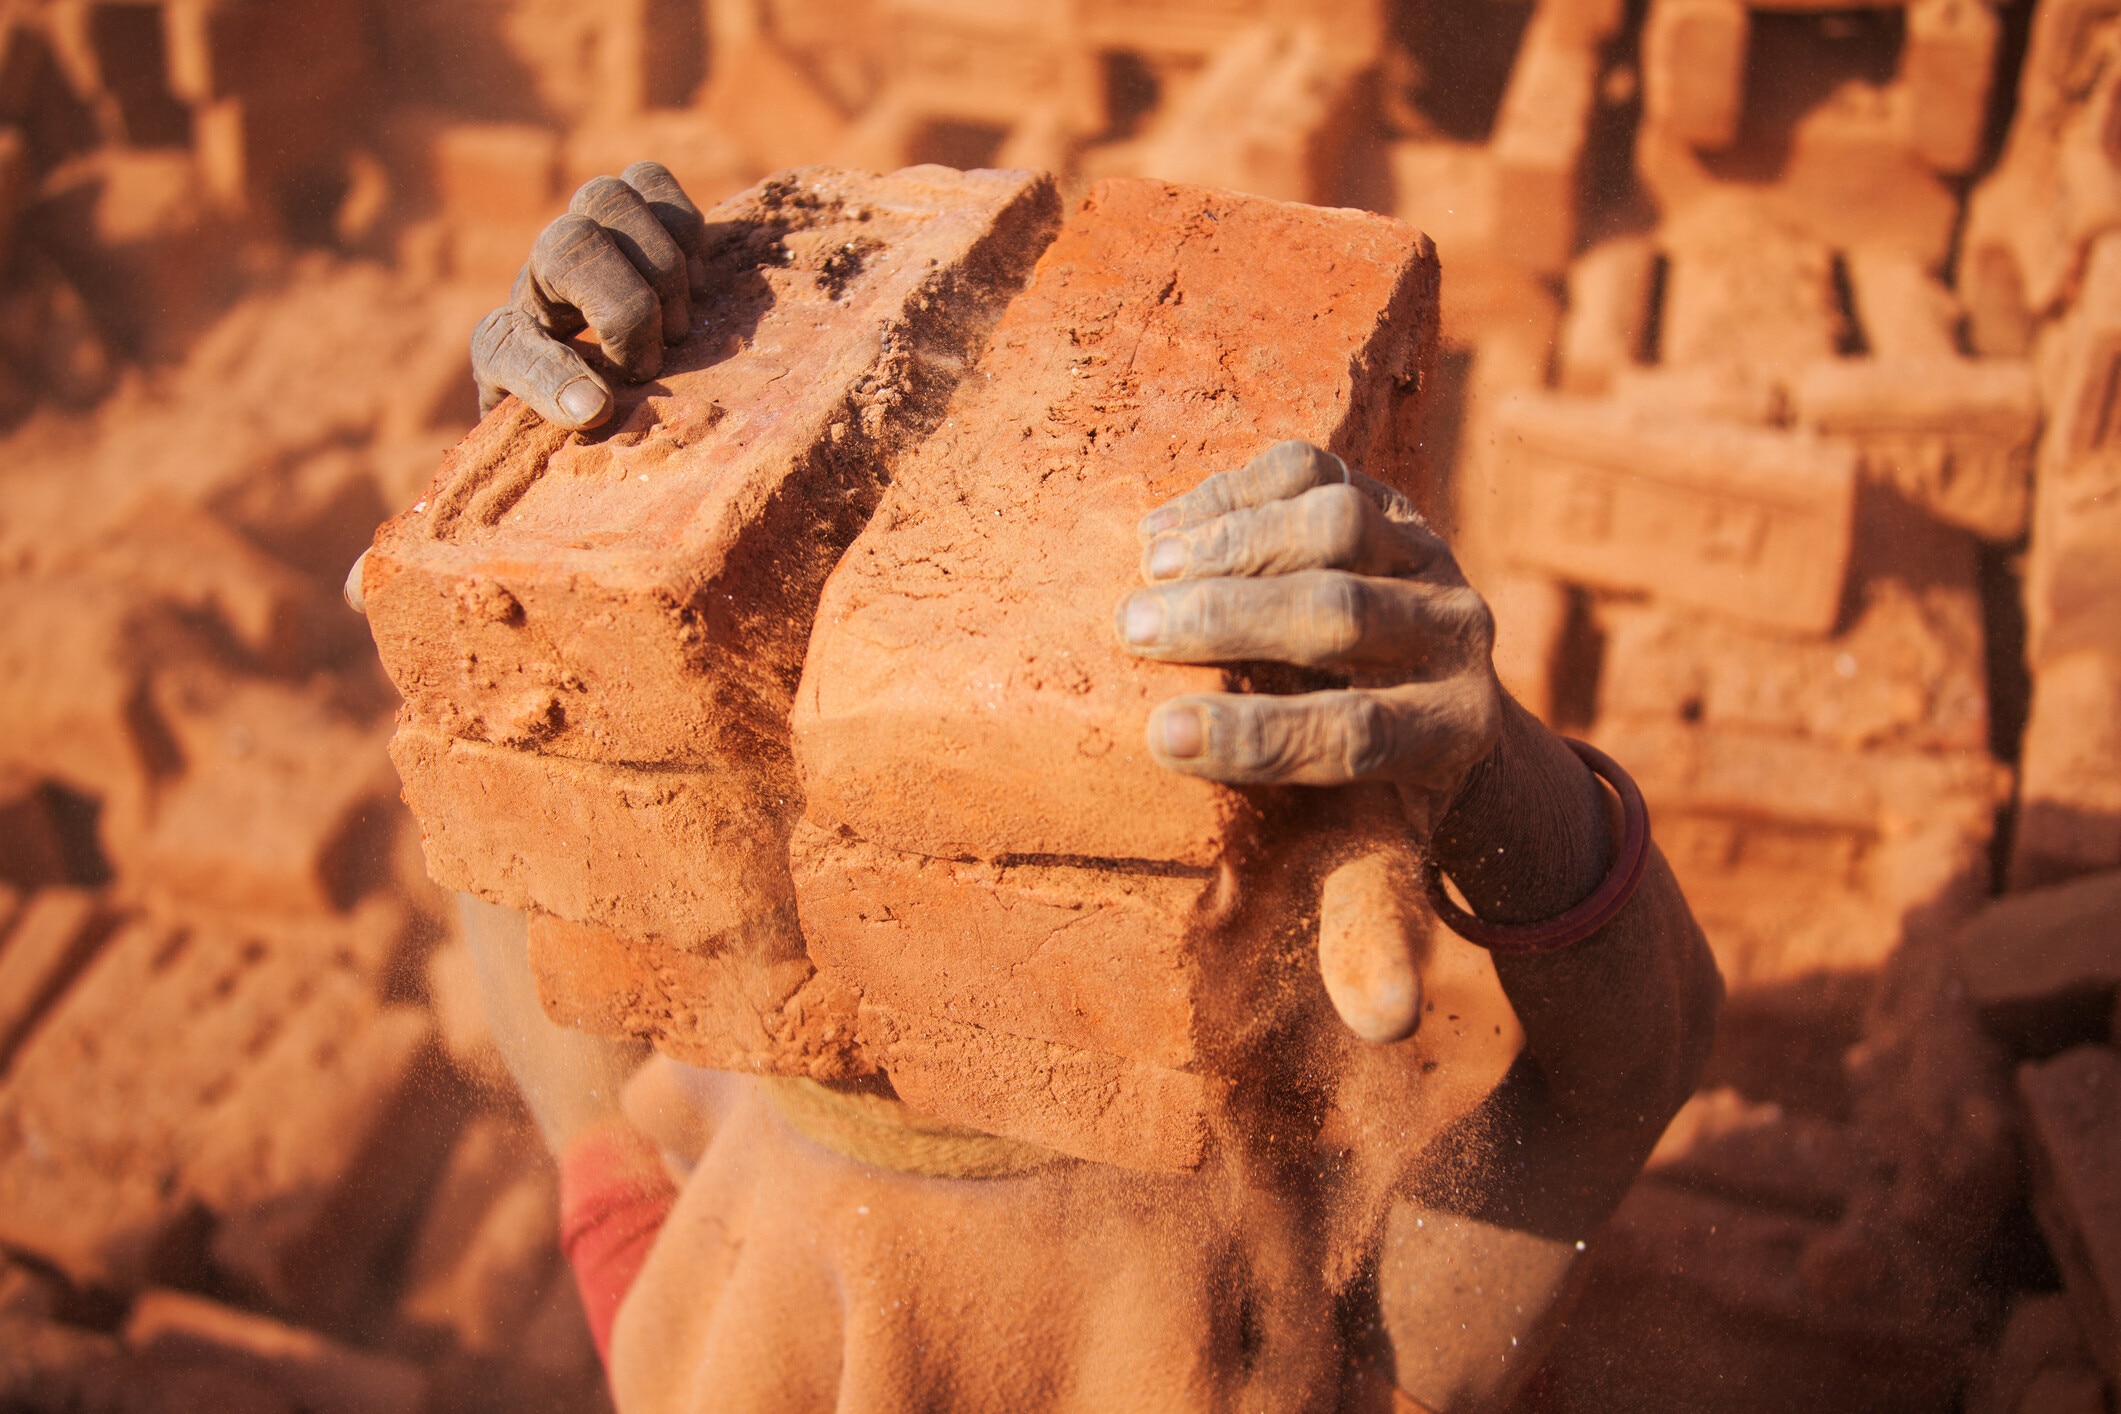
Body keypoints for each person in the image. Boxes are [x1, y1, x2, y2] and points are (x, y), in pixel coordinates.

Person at [458, 162, 1723, 1414]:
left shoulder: (689, 1330)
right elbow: (1631, 1060)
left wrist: (525, 508)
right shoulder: (1322, 1368)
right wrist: (1483, 756)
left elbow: (530, 899)